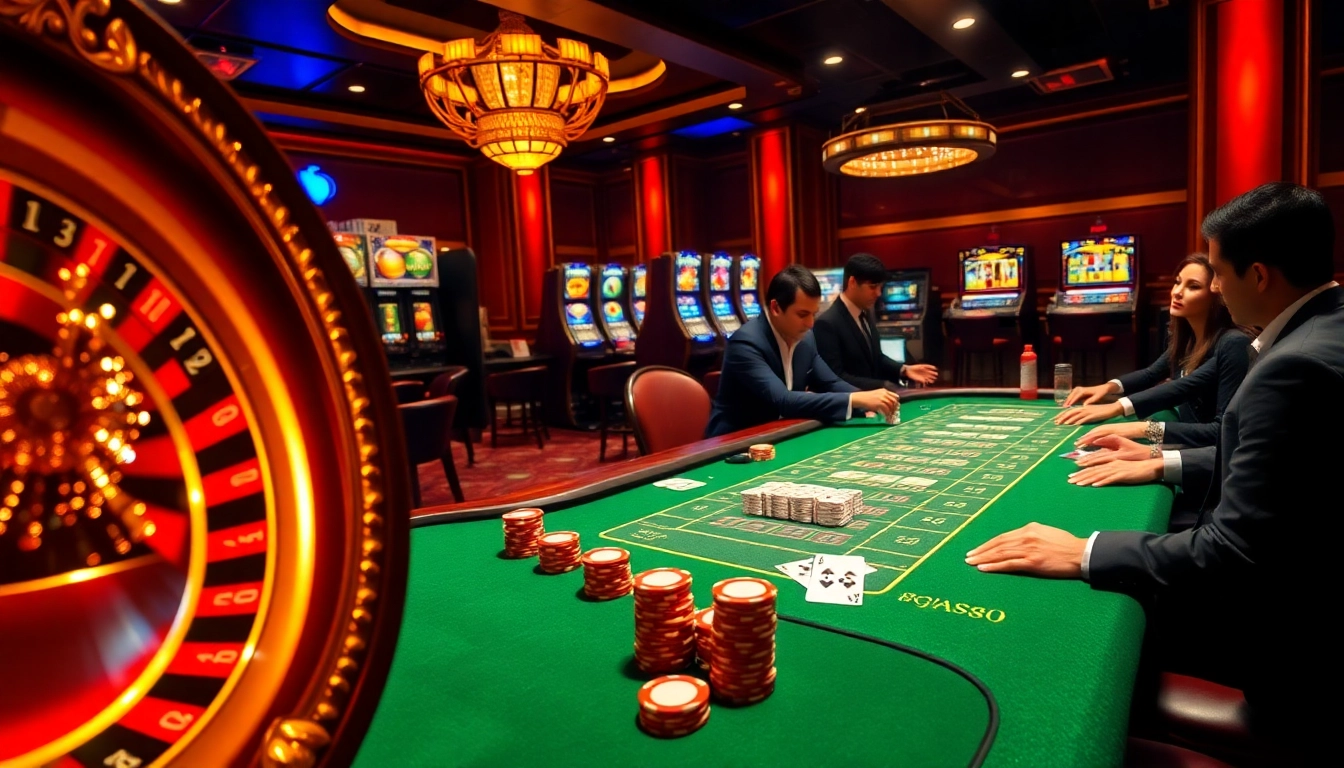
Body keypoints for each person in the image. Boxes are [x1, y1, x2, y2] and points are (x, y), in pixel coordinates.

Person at [965, 182, 1341, 762]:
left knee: (1077, 641)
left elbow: (1231, 554)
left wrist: (1085, 550)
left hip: (1289, 666)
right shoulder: (1326, 334)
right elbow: (1285, 464)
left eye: (1216, 273)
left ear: (1260, 275)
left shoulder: (1291, 366)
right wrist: (1158, 460)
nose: (1214, 288)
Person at [1055, 253, 1252, 448]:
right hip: (1182, 436)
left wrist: (1137, 425)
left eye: (1193, 286)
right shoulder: (1186, 340)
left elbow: (1216, 429)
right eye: (1177, 282)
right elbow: (1151, 374)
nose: (1177, 292)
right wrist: (1106, 387)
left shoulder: (1232, 343)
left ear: (1215, 296)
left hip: (1198, 454)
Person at [705, 265, 898, 438]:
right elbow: (784, 400)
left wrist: (868, 401)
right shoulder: (746, 343)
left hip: (780, 434)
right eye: (802, 315)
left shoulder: (805, 339)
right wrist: (856, 399)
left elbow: (831, 382)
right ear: (775, 308)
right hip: (734, 444)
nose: (810, 324)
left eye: (813, 314)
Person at [813, 253, 939, 390]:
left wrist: (904, 370)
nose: (878, 293)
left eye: (880, 287)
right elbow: (835, 378)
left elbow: (876, 358)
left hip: (875, 402)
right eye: (872, 287)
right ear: (853, 283)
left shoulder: (865, 312)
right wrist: (882, 386)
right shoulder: (827, 323)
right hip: (851, 407)